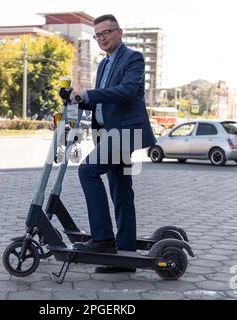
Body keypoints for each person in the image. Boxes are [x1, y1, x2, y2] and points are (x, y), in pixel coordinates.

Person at [70, 14, 156, 273]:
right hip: (108, 134)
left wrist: (89, 93)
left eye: (106, 32)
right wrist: (79, 99)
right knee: (121, 190)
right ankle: (125, 256)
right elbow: (102, 100)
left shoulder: (133, 58)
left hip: (125, 132)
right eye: (97, 35)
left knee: (87, 171)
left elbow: (127, 91)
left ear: (120, 32)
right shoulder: (104, 65)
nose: (102, 38)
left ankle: (103, 239)